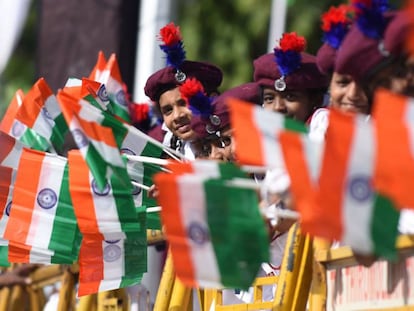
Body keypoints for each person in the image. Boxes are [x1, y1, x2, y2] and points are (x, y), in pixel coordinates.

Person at [144, 23, 223, 160]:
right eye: (168, 110)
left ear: (212, 99)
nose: (177, 116)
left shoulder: (233, 151)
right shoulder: (169, 152)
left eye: (184, 103)